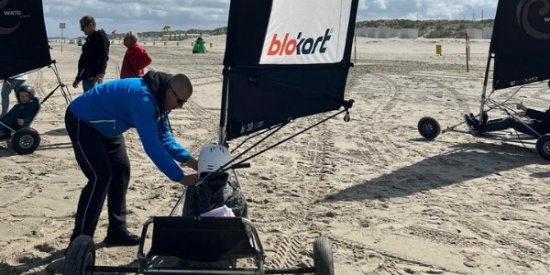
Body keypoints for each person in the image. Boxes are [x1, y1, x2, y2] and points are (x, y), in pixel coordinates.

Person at [65, 71, 199, 247]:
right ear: (169, 93)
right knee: (101, 177)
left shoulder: (160, 98)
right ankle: (80, 241)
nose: (180, 106)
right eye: (180, 102)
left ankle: (116, 232)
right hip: (83, 120)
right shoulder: (143, 99)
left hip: (109, 126)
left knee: (121, 171)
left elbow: (165, 138)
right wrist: (179, 177)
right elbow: (151, 145)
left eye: (184, 103)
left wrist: (191, 161)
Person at [72, 15, 110, 92]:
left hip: (94, 77)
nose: (82, 30)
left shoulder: (101, 37)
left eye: (83, 27)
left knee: (95, 101)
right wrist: (78, 78)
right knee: (88, 101)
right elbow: (84, 59)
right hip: (86, 77)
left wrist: (100, 73)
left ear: (90, 25)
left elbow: (104, 57)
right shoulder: (90, 38)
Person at [464, 103, 550, 136]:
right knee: (511, 118)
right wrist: (525, 114)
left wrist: (525, 109)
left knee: (510, 121)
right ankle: (479, 124)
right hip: (537, 124)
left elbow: (545, 116)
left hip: (538, 129)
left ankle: (480, 128)